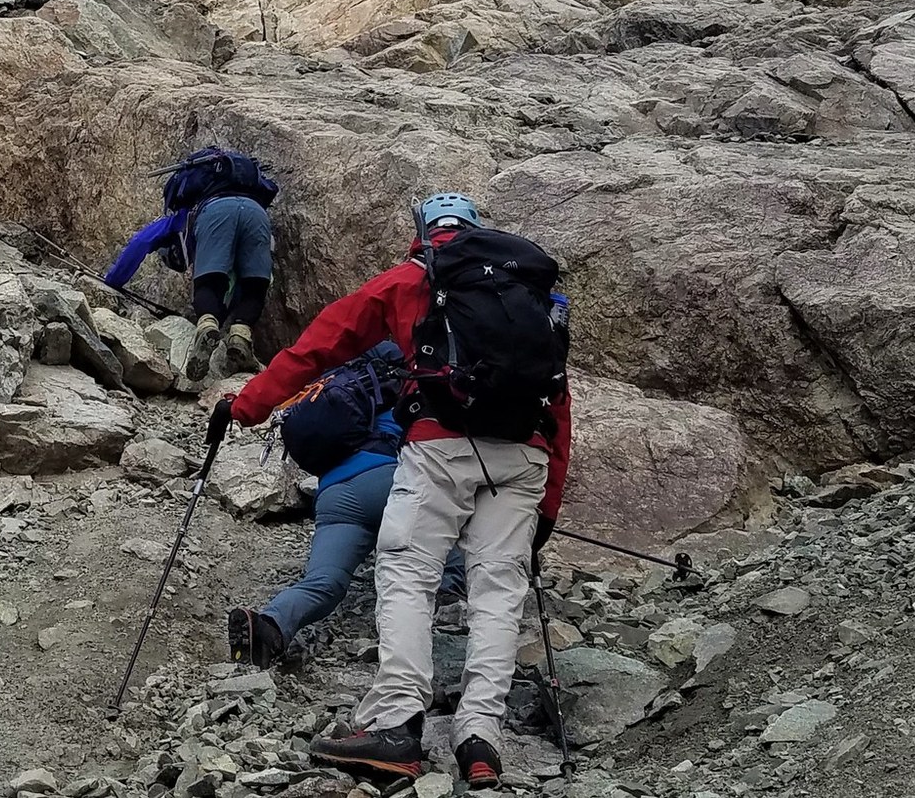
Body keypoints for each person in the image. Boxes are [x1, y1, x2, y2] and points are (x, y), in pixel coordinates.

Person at [211, 193, 571, 791]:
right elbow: (558, 404)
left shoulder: (411, 278)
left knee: (407, 572)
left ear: (423, 234)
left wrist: (246, 405)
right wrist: (548, 511)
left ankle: (397, 723)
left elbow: (319, 346)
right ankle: (480, 740)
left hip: (440, 445)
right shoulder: (529, 294)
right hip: (525, 453)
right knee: (498, 589)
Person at [225, 341, 465, 669]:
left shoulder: (330, 387)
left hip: (335, 494)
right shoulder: (405, 381)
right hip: (388, 477)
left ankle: (270, 625)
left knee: (325, 582)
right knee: (448, 532)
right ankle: (448, 605)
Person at [105, 147, 276, 380]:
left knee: (209, 283)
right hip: (258, 214)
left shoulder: (182, 216)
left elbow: (141, 241)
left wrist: (112, 282)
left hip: (216, 212)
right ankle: (240, 335)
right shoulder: (248, 194)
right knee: (254, 287)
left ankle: (206, 326)